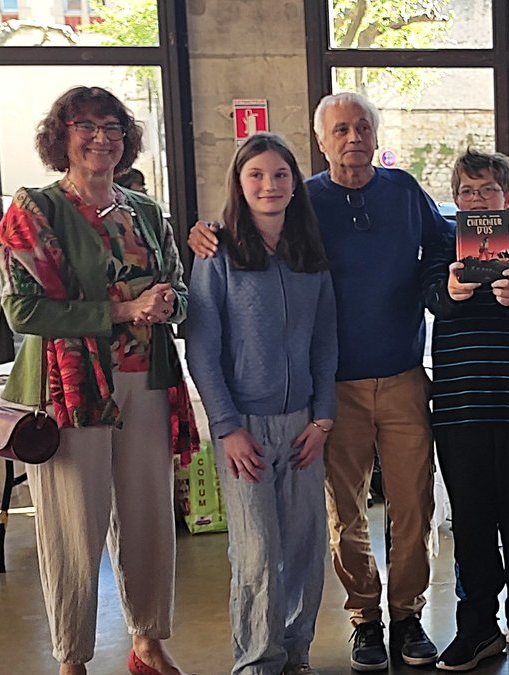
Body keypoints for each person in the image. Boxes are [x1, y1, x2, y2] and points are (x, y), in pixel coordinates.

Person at [190, 92, 447, 671]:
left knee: (413, 504)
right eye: (340, 129)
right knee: (343, 513)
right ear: (321, 140)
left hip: (403, 375)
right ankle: (365, 618)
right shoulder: (303, 200)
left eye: (362, 127)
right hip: (334, 390)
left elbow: (448, 238)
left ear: (375, 134)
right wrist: (204, 232)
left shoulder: (405, 190)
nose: (353, 138)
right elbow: (248, 225)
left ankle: (407, 613)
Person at [0, 86, 193, 675]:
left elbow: (181, 291)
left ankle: (148, 643)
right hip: (70, 389)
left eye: (112, 127)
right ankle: (72, 657)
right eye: (86, 126)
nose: (101, 137)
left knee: (149, 520)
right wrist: (124, 310)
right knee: (73, 529)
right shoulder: (36, 209)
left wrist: (167, 304)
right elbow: (22, 311)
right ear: (62, 137)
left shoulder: (147, 212)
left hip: (146, 381)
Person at [186, 133, 337, 675]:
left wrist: (323, 417)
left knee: (303, 548)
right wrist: (227, 427)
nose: (269, 185)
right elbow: (202, 348)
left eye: (280, 174)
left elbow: (325, 341)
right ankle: (256, 661)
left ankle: (295, 654)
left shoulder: (310, 255)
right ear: (239, 183)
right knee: (256, 553)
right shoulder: (217, 252)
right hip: (243, 426)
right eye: (256, 175)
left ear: (295, 184)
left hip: (303, 426)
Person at [421, 149, 509, 670]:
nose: (477, 200)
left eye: (488, 191)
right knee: (471, 522)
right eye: (467, 192)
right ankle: (477, 626)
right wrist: (451, 290)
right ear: (455, 200)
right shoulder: (441, 243)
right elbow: (430, 295)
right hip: (460, 407)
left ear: (508, 197)